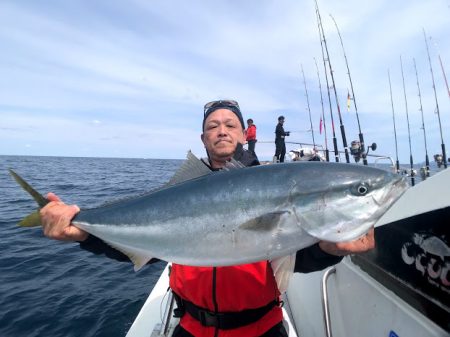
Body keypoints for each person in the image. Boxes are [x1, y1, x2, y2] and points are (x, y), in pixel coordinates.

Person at [40, 99, 375, 337]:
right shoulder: (178, 195)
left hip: (261, 329)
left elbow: (295, 253)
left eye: (230, 125)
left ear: (244, 134)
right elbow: (145, 242)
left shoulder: (273, 184)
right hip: (190, 328)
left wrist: (332, 249)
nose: (222, 131)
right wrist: (82, 234)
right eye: (212, 127)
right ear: (203, 139)